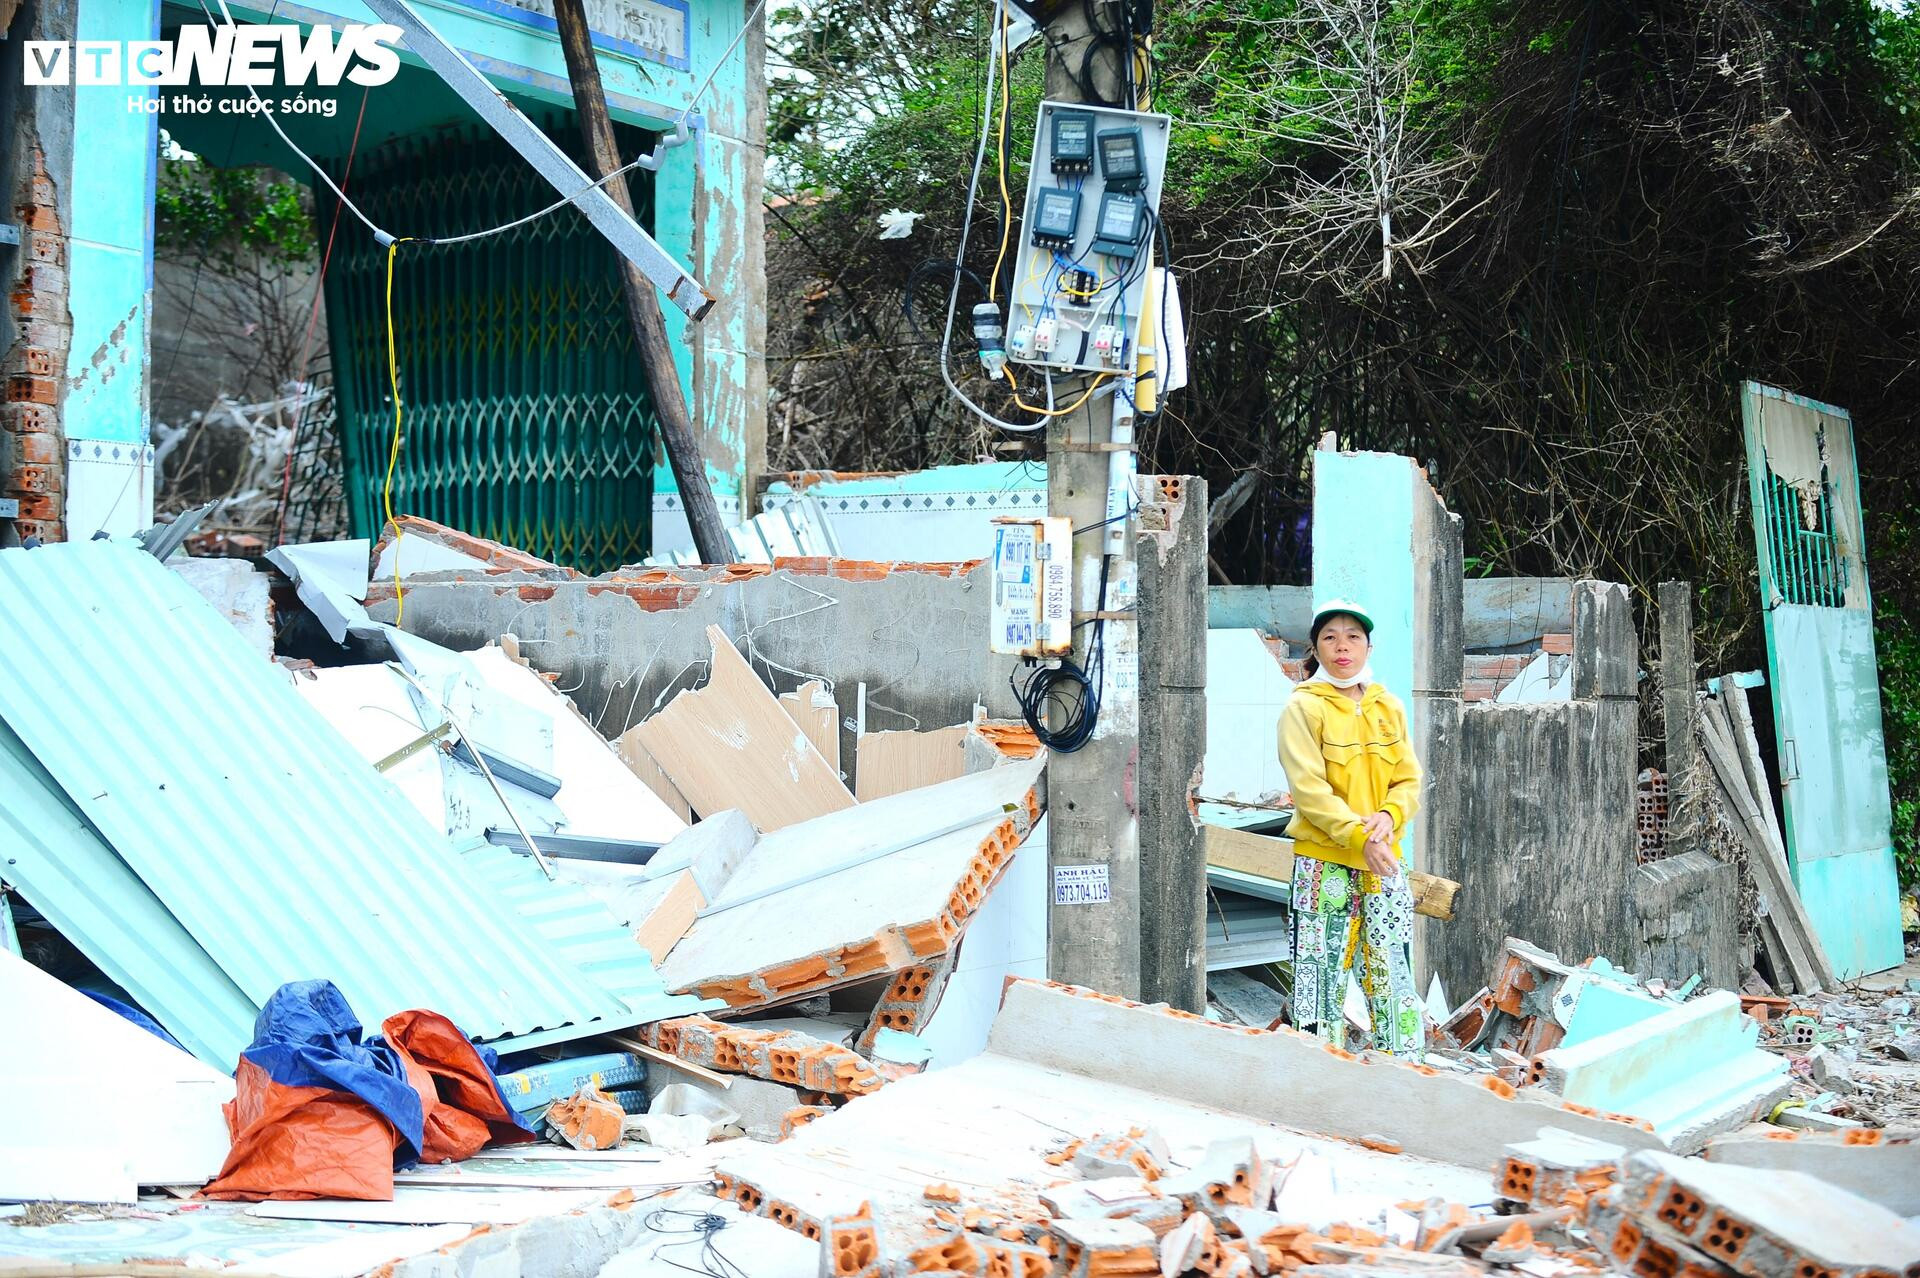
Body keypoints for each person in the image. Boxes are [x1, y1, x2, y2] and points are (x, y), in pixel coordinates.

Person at [1277, 599, 1424, 1057]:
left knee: (1393, 980)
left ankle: (1405, 1077)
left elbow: (1409, 780)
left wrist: (1389, 817)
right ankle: (1317, 1082)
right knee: (1318, 984)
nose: (1342, 647)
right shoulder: (1303, 707)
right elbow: (1310, 791)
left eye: (1353, 637)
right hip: (1324, 868)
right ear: (1316, 649)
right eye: (1330, 637)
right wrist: (1361, 838)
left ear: (1368, 647)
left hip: (1385, 864)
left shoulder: (1388, 706)